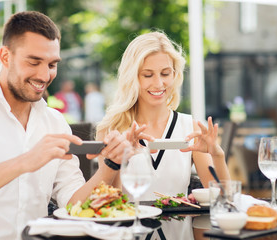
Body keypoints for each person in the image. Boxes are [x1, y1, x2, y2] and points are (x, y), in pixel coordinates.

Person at [0, 11, 135, 240]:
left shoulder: (55, 123)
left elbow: (75, 204)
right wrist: (25, 161)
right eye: (34, 62)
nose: (44, 75)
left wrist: (111, 164)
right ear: (5, 57)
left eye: (52, 64)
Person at [96, 31, 231, 200]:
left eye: (165, 73)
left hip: (181, 226)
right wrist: (117, 160)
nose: (159, 83)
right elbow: (110, 203)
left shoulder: (190, 128)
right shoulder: (111, 130)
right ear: (132, 77)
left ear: (175, 75)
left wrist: (217, 155)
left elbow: (223, 199)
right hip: (131, 226)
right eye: (148, 75)